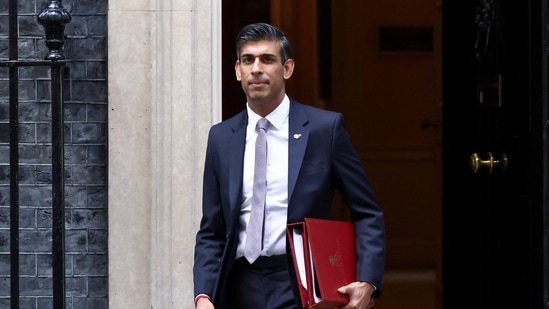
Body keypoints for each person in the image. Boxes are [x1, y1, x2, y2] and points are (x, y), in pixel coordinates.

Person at [193, 22, 386, 309]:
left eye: (267, 59)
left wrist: (367, 281)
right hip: (238, 285)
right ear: (237, 70)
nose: (256, 68)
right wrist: (204, 295)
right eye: (248, 60)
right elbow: (211, 230)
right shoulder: (221, 137)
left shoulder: (325, 129)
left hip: (300, 284)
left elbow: (367, 211)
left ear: (287, 68)